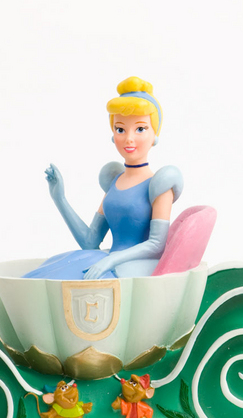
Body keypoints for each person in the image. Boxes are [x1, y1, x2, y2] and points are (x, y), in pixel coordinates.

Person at [22, 76, 183, 280]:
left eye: (140, 129)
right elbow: (90, 242)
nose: (129, 138)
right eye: (120, 129)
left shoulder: (160, 183)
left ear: (155, 135)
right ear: (113, 135)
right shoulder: (114, 181)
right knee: (54, 269)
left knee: (74, 277)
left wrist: (111, 260)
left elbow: (157, 245)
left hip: (135, 271)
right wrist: (59, 198)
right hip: (107, 261)